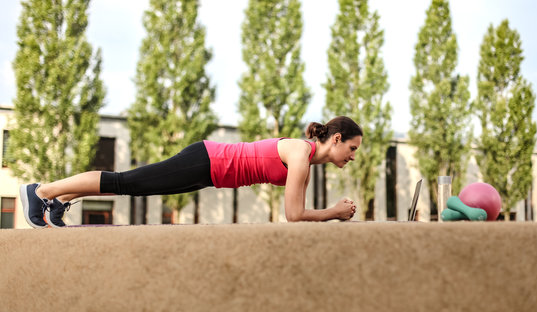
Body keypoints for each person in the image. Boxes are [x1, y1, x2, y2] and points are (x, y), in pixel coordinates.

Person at [20, 116, 363, 228]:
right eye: (352, 149)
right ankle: (42, 191)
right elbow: (294, 214)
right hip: (205, 161)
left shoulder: (303, 157)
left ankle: (59, 199)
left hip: (207, 172)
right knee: (126, 182)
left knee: (130, 185)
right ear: (336, 139)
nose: (352, 156)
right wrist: (333, 212)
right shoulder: (301, 155)